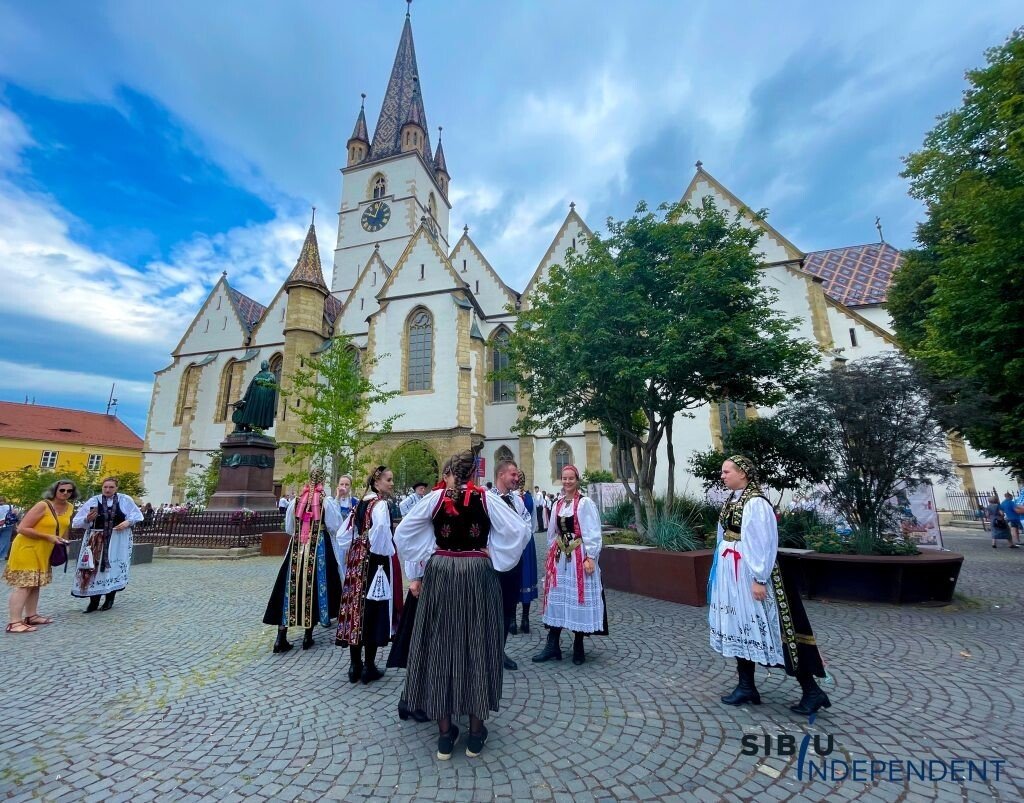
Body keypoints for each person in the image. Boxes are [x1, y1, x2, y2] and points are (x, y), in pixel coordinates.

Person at [395, 450, 532, 760]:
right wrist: (492, 552)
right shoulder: (485, 498)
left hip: (441, 574)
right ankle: (475, 734)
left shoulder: (434, 499)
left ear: (451, 472)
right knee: (478, 644)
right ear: (474, 474)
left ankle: (445, 737)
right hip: (476, 574)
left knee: (439, 645)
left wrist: (432, 550)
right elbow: (520, 531)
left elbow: (402, 534)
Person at [709, 455, 831, 714]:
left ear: (743, 473)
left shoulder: (756, 503)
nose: (722, 476)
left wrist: (759, 578)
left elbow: (763, 543)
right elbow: (723, 536)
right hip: (734, 575)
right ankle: (746, 686)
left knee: (778, 629)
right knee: (741, 625)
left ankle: (812, 691)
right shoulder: (733, 500)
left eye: (727, 471)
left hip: (754, 575)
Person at [263, 467, 345, 653]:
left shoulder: (297, 500)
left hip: (297, 547)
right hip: (319, 547)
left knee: (289, 585)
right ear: (322, 481)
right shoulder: (325, 501)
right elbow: (335, 526)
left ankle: (281, 637)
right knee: (315, 584)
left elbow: (289, 528)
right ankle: (308, 636)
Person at [533, 465, 607, 666]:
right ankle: (552, 645)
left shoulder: (584, 503)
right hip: (560, 558)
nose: (567, 482)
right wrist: (551, 553)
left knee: (578, 599)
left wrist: (591, 556)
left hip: (578, 556)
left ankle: (578, 645)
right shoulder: (558, 503)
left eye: (571, 478)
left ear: (577, 480)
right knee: (557, 597)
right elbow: (552, 532)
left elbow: (593, 531)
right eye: (564, 478)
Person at [335, 466, 403, 684]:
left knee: (356, 605)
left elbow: (345, 533)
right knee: (373, 606)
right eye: (388, 480)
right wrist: (383, 552)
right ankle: (369, 667)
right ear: (377, 481)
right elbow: (381, 530)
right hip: (374, 559)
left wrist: (357, 546)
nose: (391, 483)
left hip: (357, 557)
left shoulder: (360, 503)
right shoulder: (380, 504)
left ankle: (355, 665)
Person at [4, 480, 75, 633]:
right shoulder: (43, 505)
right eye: (62, 490)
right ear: (55, 490)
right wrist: (47, 537)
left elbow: (64, 526)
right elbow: (22, 528)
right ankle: (14, 622)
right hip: (27, 548)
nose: (65, 493)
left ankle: (31, 615)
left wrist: (65, 543)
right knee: (24, 585)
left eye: (69, 491)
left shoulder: (69, 507)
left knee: (35, 583)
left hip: (44, 550)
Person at [72, 477, 144, 612]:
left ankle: (109, 599)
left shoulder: (124, 500)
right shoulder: (94, 500)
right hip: (97, 539)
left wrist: (128, 522)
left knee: (113, 567)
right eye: (105, 487)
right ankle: (93, 601)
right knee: (94, 567)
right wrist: (87, 518)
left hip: (117, 539)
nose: (107, 490)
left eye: (111, 487)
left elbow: (137, 515)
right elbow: (77, 521)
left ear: (116, 488)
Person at [489, 459, 531, 669]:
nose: (517, 478)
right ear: (501, 475)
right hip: (492, 563)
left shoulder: (517, 501)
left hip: (514, 561)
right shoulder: (487, 499)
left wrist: (515, 548)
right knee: (490, 608)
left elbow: (527, 525)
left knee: (508, 607)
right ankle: (485, 651)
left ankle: (500, 651)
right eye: (513, 474)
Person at [517, 477, 539, 634]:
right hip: (527, 540)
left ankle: (512, 620)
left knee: (513, 575)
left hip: (512, 541)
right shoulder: (529, 498)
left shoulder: (509, 497)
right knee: (526, 576)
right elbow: (534, 522)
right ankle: (525, 619)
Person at [0, 496, 17, 561]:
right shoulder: (10, 507)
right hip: (8, 525)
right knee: (5, 541)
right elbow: (15, 514)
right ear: (4, 501)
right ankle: (2, 556)